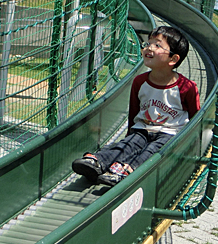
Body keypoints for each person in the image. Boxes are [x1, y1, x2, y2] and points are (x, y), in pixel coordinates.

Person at [71, 25, 200, 188]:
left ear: (173, 59)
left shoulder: (186, 87)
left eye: (157, 45)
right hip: (143, 129)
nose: (149, 47)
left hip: (169, 133)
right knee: (130, 144)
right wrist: (129, 134)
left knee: (152, 150)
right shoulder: (140, 82)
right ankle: (99, 162)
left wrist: (191, 148)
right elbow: (134, 112)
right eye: (148, 43)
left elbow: (196, 118)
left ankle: (127, 171)